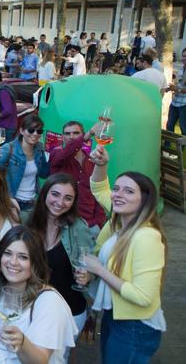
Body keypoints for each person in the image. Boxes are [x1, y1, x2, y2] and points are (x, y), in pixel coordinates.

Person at [85, 146, 166, 363]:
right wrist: (101, 164)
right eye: (117, 188)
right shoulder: (120, 222)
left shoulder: (147, 237)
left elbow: (143, 296)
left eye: (129, 191)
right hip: (116, 316)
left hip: (135, 326)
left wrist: (99, 270)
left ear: (144, 201)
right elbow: (99, 187)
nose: (118, 195)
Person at [0, 226, 77, 363]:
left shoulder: (49, 302)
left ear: (35, 263)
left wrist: (22, 343)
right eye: (7, 253)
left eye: (23, 257)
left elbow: (41, 361)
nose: (13, 262)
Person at [24, 173, 95, 359]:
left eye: (68, 198)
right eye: (55, 194)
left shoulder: (78, 227)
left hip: (69, 310)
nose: (60, 202)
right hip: (32, 308)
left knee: (57, 359)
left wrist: (89, 275)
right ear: (45, 193)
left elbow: (92, 263)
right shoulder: (27, 222)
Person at [49, 121, 107, 230]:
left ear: (82, 134)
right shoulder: (57, 154)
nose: (71, 137)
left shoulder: (91, 161)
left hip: (89, 224)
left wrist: (98, 223)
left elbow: (97, 193)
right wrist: (88, 135)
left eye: (76, 133)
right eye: (67, 133)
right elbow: (67, 152)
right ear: (62, 137)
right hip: (62, 222)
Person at [0, 115, 49, 212]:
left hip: (32, 202)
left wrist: (50, 153)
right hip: (12, 202)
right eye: (31, 130)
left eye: (39, 131)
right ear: (22, 131)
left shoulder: (39, 149)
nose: (35, 134)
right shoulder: (9, 148)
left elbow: (44, 174)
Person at [166, 48, 186, 135]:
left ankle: (183, 148)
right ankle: (167, 147)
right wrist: (170, 88)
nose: (184, 58)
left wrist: (177, 89)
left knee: (183, 128)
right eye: (184, 56)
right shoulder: (182, 69)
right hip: (175, 102)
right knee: (169, 126)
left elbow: (180, 88)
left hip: (184, 104)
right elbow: (179, 84)